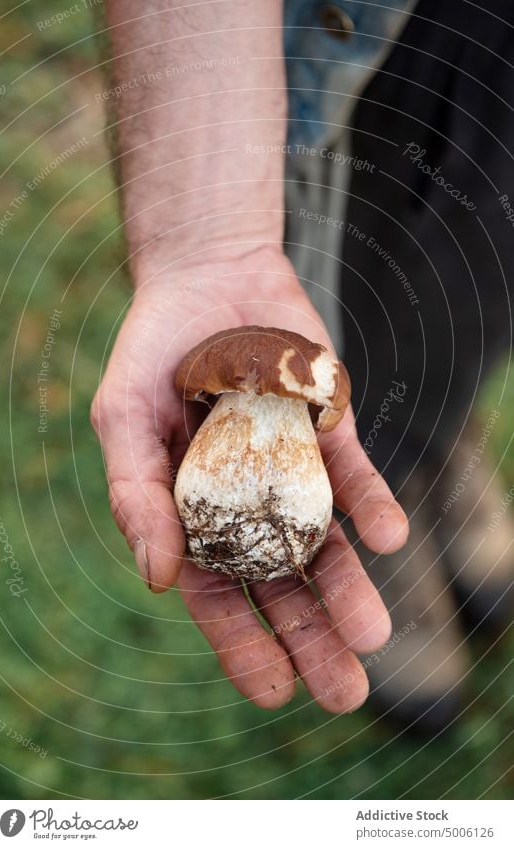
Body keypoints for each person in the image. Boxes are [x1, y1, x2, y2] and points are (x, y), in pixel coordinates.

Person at [92, 1, 512, 730]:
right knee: (363, 289)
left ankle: (438, 436)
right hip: (371, 42)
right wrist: (204, 236)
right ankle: (390, 467)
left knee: (479, 282)